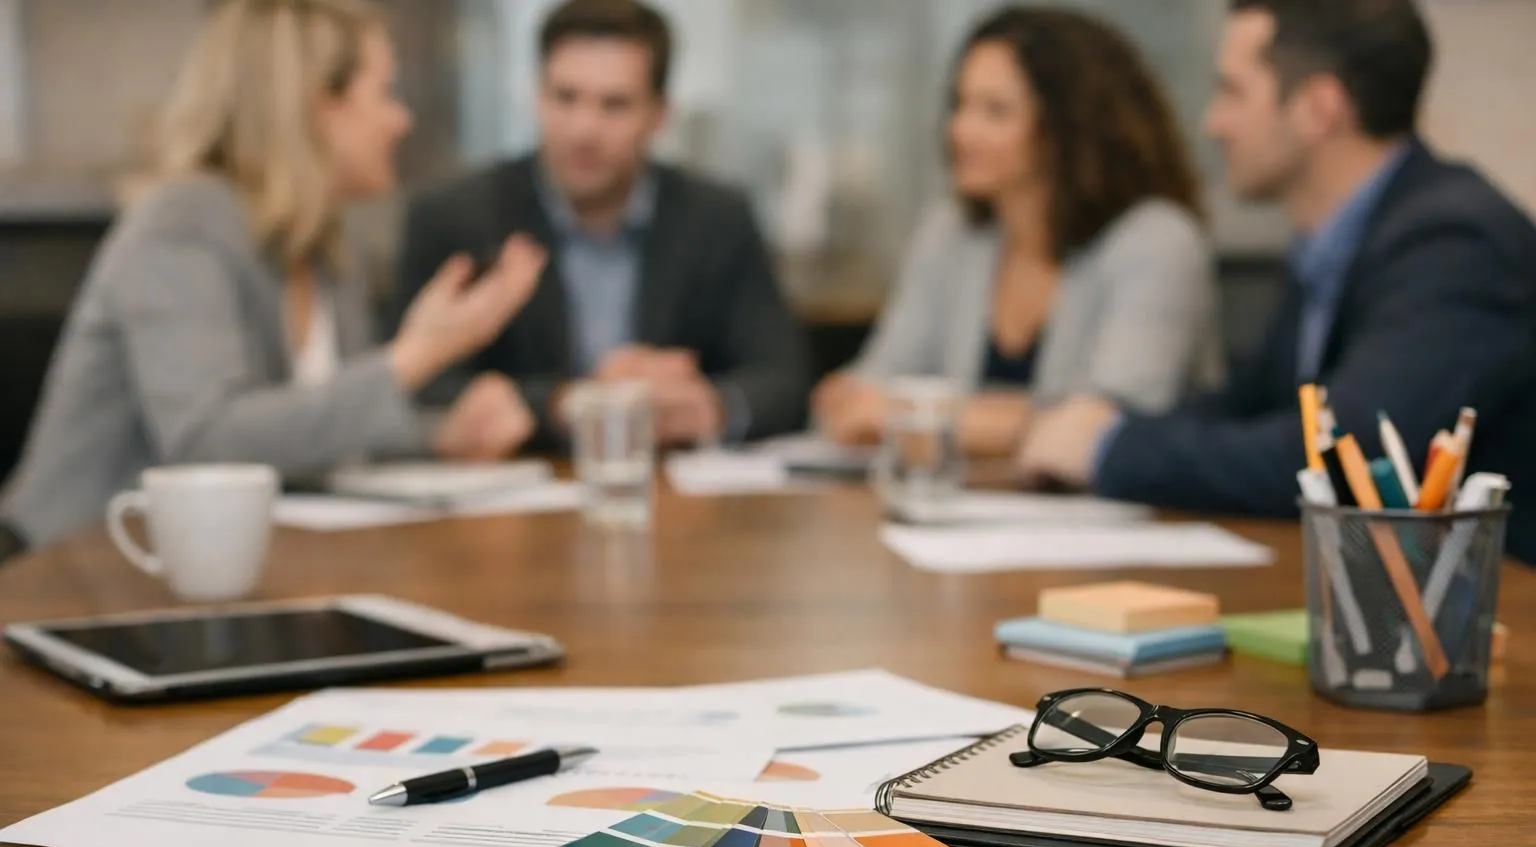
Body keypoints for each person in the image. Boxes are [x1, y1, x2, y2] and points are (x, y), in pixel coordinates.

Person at [0, 0, 549, 560]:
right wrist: (415, 356)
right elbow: (207, 444)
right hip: (69, 572)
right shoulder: (182, 223)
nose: (401, 120)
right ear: (317, 107)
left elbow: (316, 433)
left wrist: (441, 436)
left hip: (224, 575)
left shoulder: (324, 245)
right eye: (384, 93)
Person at [1020, 0, 1536, 561]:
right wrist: (1104, 425)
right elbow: (1255, 404)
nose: (1211, 122)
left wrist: (1110, 449)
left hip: (1488, 621)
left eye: (1232, 92)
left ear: (1319, 109)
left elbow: (1339, 458)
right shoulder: (1338, 239)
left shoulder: (1455, 243)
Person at [396, 0, 811, 452]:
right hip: (512, 502)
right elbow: (416, 387)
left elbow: (785, 379)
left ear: (659, 114)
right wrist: (565, 403)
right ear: (537, 96)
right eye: (565, 97)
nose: (584, 129)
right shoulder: (458, 217)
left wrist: (709, 407)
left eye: (614, 105)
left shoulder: (717, 218)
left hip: (674, 497)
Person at [813, 6, 1222, 459]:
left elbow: (1110, 424)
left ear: (1070, 127)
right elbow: (868, 391)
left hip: (1124, 521)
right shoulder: (951, 233)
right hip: (963, 514)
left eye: (995, 111)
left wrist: (909, 414)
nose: (961, 130)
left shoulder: (1157, 241)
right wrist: (862, 401)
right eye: (960, 104)